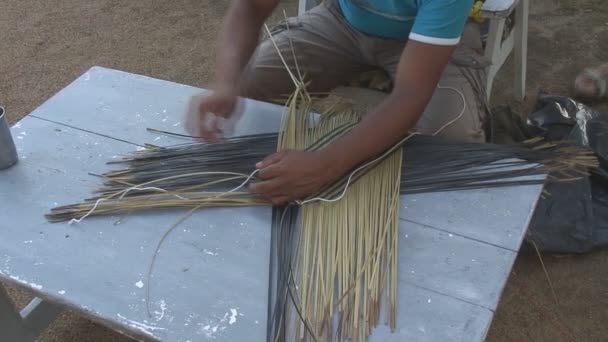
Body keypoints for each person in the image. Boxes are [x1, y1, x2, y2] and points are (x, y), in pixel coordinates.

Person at [191, 0, 489, 204]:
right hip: (344, 22)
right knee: (254, 78)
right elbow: (250, 8)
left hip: (427, 41)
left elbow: (412, 91)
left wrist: (326, 165)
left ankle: (388, 86)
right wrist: (226, 81)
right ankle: (375, 85)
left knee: (453, 139)